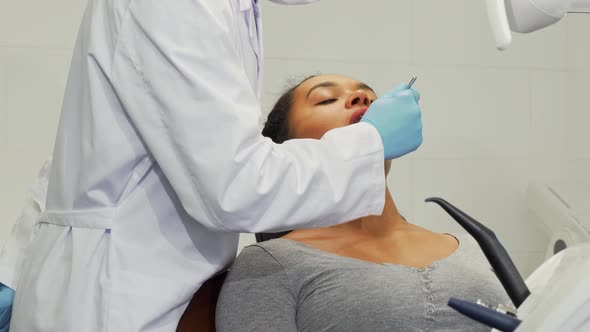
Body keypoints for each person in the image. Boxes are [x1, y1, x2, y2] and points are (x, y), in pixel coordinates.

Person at [0, 0, 424, 331]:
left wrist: (15, 268)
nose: (360, 102)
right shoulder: (271, 274)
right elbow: (233, 184)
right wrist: (370, 144)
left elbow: (92, 151)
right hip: (114, 300)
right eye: (325, 98)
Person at [215, 74, 510, 332]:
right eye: (326, 99)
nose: (362, 97)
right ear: (288, 150)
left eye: (368, 93)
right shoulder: (267, 266)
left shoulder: (476, 247)